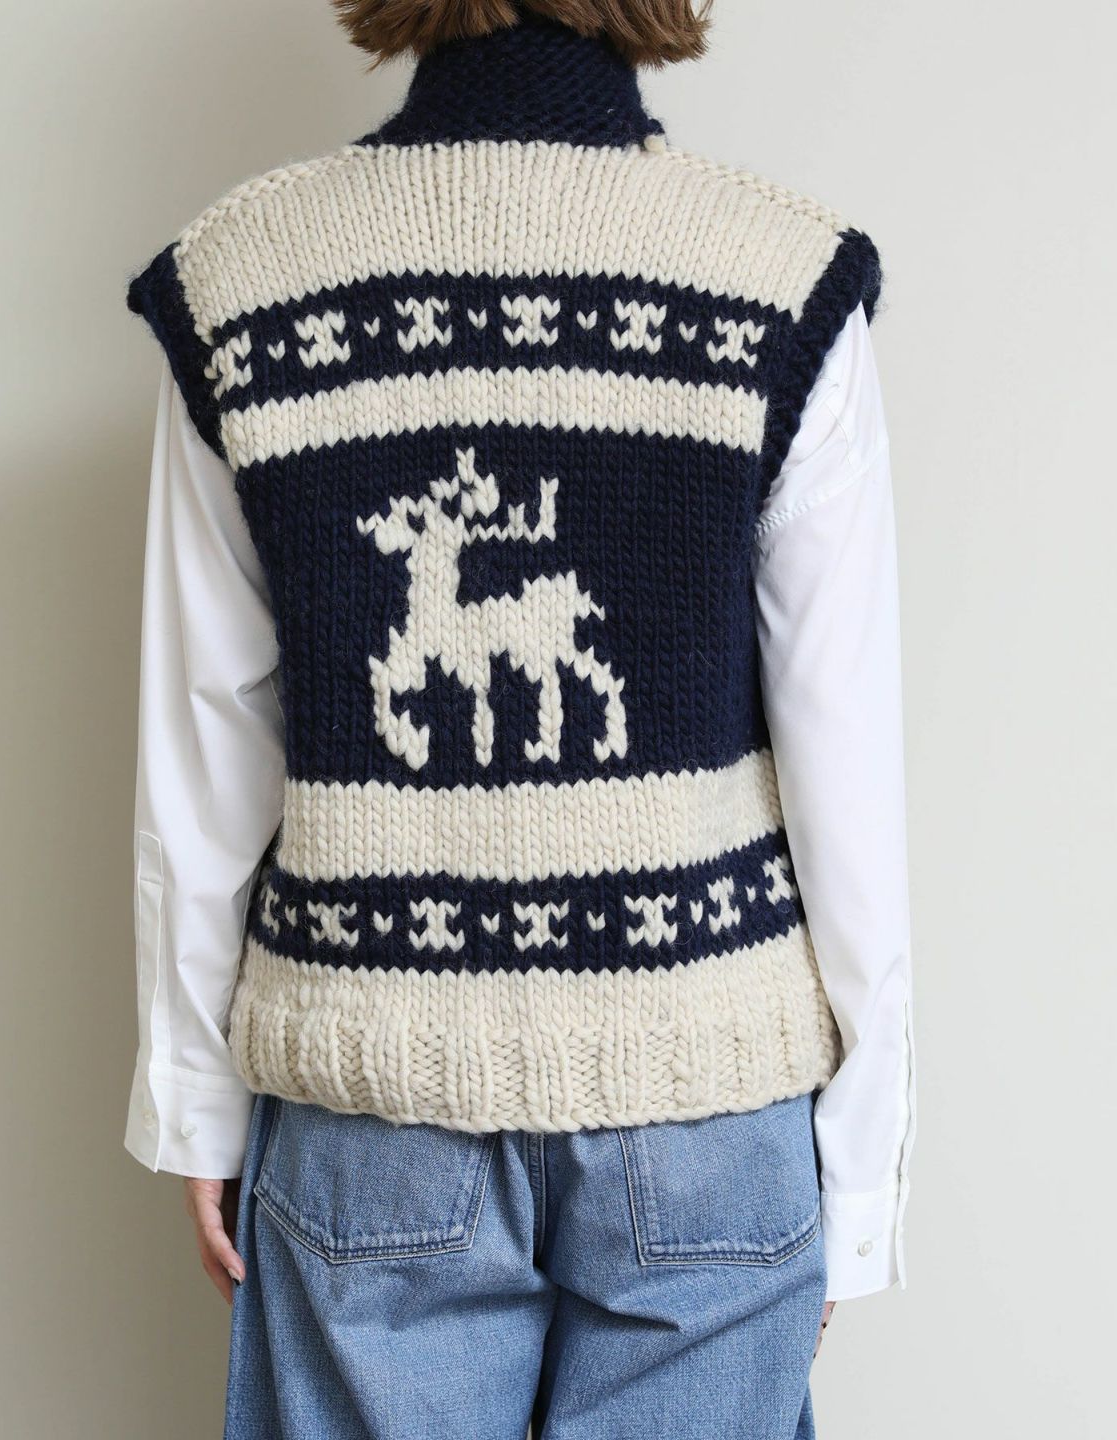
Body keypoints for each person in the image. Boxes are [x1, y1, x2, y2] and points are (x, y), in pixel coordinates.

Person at [123, 3, 915, 1435]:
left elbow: (208, 743)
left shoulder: (243, 282)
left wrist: (195, 1097)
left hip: (375, 1095)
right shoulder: (777, 277)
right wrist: (860, 1180)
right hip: (703, 1100)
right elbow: (843, 767)